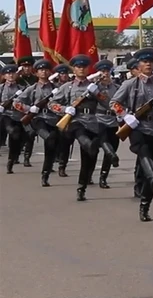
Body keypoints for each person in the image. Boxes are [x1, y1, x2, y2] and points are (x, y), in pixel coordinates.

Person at [110, 47, 153, 221]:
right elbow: (114, 103)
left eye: (151, 62)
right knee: (144, 154)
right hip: (138, 127)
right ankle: (146, 201)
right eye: (145, 62)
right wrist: (125, 115)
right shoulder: (130, 84)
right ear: (138, 64)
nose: (149, 65)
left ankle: (147, 194)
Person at [48, 54, 107, 202]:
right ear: (74, 69)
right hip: (74, 120)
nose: (81, 69)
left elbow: (108, 103)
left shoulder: (95, 86)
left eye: (84, 67)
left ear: (88, 69)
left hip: (92, 122)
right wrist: (64, 109)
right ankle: (88, 145)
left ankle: (82, 186)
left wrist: (98, 93)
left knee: (89, 158)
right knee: (78, 130)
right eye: (78, 67)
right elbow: (51, 103)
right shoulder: (67, 87)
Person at [13, 61, 60, 186]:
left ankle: (46, 173)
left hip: (53, 119)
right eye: (41, 70)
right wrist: (28, 109)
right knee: (48, 137)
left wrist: (61, 109)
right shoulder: (32, 89)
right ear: (37, 72)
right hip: (38, 119)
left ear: (50, 72)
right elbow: (16, 102)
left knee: (51, 147)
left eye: (46, 69)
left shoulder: (56, 89)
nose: (44, 72)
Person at [93, 60, 121, 189]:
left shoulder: (116, 87)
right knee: (104, 143)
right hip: (100, 119)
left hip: (113, 120)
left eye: (107, 71)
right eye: (102, 71)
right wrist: (94, 84)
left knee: (113, 147)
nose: (105, 74)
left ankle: (103, 176)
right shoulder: (95, 87)